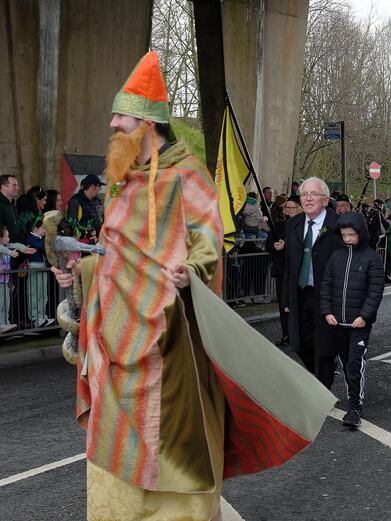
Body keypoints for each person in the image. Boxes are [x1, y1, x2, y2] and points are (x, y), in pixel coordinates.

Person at [49, 51, 337, 521]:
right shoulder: (124, 185)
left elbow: (207, 244)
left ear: (147, 124)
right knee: (115, 466)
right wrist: (78, 273)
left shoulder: (189, 178)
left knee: (173, 463)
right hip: (115, 358)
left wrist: (191, 271)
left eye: (121, 118)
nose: (113, 127)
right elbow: (114, 258)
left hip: (170, 355)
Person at [320, 212, 384, 427]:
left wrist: (364, 316)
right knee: (346, 363)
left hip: (359, 325)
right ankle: (352, 398)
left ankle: (355, 406)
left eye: (351, 234)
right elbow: (326, 285)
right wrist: (327, 311)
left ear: (361, 233)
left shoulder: (372, 258)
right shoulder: (336, 257)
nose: (347, 238)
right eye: (344, 234)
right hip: (336, 323)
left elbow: (375, 291)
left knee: (355, 364)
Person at [282, 176, 345, 385]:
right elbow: (289, 265)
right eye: (304, 194)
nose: (308, 199)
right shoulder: (293, 225)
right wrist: (286, 301)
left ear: (326, 200)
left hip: (327, 296)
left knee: (324, 347)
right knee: (299, 343)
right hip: (300, 294)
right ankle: (319, 374)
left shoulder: (337, 225)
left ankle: (323, 386)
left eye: (314, 194)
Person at [267, 194, 300, 346]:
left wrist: (286, 246)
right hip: (282, 271)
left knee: (297, 304)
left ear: (299, 209)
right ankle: (286, 334)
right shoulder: (279, 226)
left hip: (298, 272)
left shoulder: (303, 226)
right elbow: (269, 244)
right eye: (287, 207)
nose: (289, 210)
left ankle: (297, 334)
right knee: (283, 305)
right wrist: (274, 246)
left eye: (293, 208)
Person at [0, 226, 34, 334]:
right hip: (0, 282)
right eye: (7, 236)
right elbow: (2, 249)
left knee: (6, 303)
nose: (9, 238)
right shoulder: (3, 248)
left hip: (6, 282)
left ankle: (6, 323)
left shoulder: (7, 246)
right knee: (0, 304)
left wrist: (24, 249)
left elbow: (16, 245)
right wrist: (11, 253)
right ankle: (1, 324)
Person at [67, 174, 106, 241]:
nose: (100, 190)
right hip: (83, 246)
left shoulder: (92, 202)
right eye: (99, 187)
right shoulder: (75, 202)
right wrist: (88, 233)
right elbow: (73, 227)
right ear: (93, 187)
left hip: (94, 244)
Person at [0, 175, 22, 244]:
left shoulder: (12, 204)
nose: (18, 188)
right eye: (14, 185)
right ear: (3, 187)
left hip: (16, 249)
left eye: (17, 185)